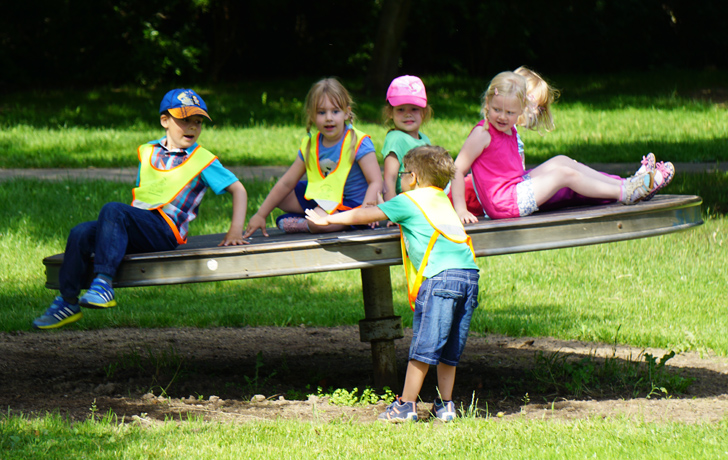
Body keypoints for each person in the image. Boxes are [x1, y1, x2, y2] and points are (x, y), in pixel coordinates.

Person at [32, 89, 249, 329]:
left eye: (197, 122)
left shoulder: (202, 159)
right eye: (184, 120)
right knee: (80, 233)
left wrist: (235, 231)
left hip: (165, 231)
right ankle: (67, 301)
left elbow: (238, 189)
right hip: (138, 226)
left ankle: (103, 283)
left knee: (113, 210)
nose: (192, 128)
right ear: (164, 121)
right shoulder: (148, 151)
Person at [305, 145, 479, 422]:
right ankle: (445, 405)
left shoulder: (409, 200)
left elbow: (365, 214)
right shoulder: (440, 199)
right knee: (449, 350)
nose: (399, 179)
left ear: (416, 178)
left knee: (423, 347)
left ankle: (406, 405)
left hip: (440, 278)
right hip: (469, 275)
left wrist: (328, 218)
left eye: (403, 174)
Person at [451, 70, 676, 222]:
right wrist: (461, 209)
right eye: (496, 110)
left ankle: (629, 184)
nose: (502, 117)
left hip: (515, 188)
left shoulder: (510, 129)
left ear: (520, 111)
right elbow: (456, 169)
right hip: (504, 204)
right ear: (487, 103)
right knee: (563, 175)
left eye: (510, 112)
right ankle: (625, 192)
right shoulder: (482, 134)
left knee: (562, 161)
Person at [243, 78, 383, 236]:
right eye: (321, 112)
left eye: (335, 111)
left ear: (346, 113)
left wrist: (367, 210)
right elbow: (286, 183)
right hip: (325, 198)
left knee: (318, 225)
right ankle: (315, 218)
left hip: (354, 204)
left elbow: (376, 181)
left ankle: (310, 223)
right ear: (311, 115)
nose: (329, 118)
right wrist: (261, 214)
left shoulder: (358, 142)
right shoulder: (311, 144)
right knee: (280, 195)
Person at [381, 75, 433, 201]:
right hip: (404, 201)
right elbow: (389, 180)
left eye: (414, 109)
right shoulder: (396, 139)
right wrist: (392, 211)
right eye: (401, 109)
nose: (407, 114)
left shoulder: (424, 139)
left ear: (424, 112)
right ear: (390, 113)